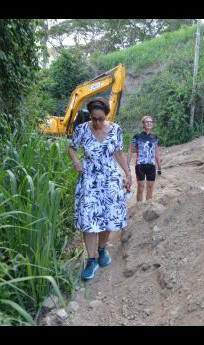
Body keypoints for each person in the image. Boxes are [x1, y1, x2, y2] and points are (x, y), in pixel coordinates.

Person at [68, 97, 132, 281]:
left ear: (106, 115)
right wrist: (76, 160)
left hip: (110, 178)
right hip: (89, 178)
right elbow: (71, 148)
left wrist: (128, 173)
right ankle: (91, 260)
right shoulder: (82, 129)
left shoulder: (116, 130)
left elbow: (118, 152)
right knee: (89, 218)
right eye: (94, 118)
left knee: (108, 216)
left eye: (100, 119)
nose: (97, 122)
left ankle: (102, 249)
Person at [127, 115, 161, 202]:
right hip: (140, 165)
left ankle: (147, 208)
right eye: (147, 122)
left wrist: (159, 167)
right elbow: (130, 150)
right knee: (141, 188)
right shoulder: (137, 136)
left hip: (151, 165)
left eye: (151, 122)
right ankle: (138, 208)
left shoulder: (155, 137)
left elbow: (156, 152)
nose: (149, 123)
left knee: (150, 188)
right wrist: (127, 165)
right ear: (143, 124)